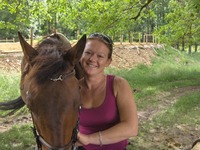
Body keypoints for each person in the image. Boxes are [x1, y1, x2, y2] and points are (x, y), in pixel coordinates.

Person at [76, 33, 138, 150]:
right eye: (88, 53)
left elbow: (131, 128)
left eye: (100, 56)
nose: (92, 59)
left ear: (108, 62)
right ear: (81, 56)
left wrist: (89, 139)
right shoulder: (73, 88)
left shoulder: (118, 85)